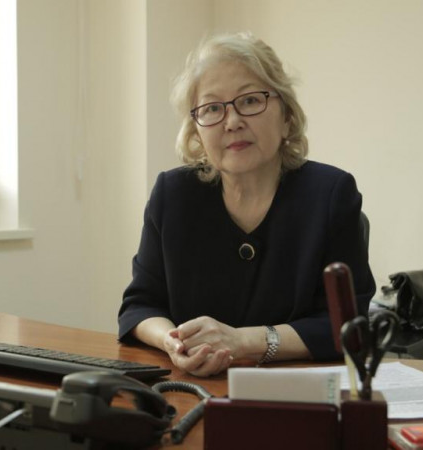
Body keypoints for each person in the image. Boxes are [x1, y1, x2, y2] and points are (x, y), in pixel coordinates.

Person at [117, 32, 375, 377]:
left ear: (287, 116)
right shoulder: (173, 195)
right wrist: (175, 344)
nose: (232, 121)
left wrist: (243, 341)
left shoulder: (330, 194)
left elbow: (348, 324)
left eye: (250, 101)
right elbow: (140, 306)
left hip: (295, 390)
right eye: (212, 108)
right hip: (189, 388)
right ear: (196, 131)